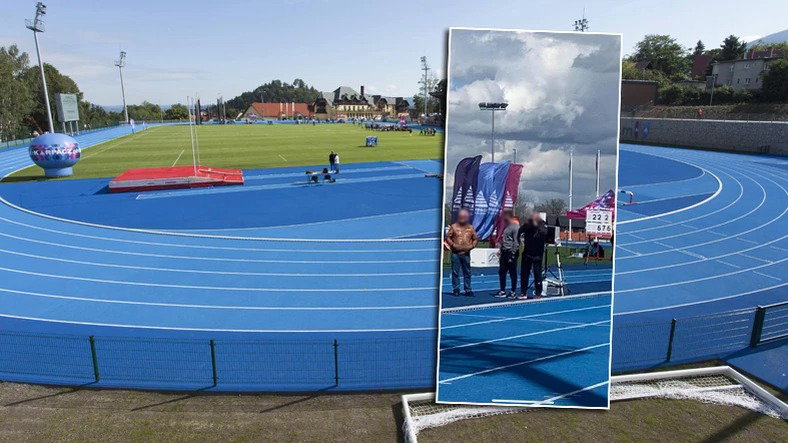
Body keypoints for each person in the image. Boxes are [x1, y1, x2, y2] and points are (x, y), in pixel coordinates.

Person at [445, 209, 478, 297]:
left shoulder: (470, 228)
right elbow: (448, 237)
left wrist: (472, 246)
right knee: (455, 272)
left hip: (466, 253)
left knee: (467, 272)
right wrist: (452, 244)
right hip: (456, 253)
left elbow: (475, 238)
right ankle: (456, 288)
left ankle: (468, 289)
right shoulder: (454, 226)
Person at [518, 212, 547, 299]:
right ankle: (523, 292)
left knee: (537, 273)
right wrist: (519, 241)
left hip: (537, 254)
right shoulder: (528, 225)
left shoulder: (542, 225)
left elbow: (545, 234)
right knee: (524, 273)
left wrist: (537, 225)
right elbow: (520, 231)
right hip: (527, 253)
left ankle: (538, 292)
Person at [496, 210, 520, 298]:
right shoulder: (506, 227)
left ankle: (513, 291)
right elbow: (505, 240)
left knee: (512, 272)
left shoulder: (515, 227)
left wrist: (513, 254)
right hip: (504, 251)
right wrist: (501, 249)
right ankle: (502, 290)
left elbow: (516, 241)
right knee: (502, 271)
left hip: (511, 252)